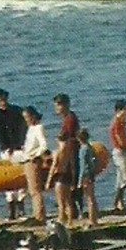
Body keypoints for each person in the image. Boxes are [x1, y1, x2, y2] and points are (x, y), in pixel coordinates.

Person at [0, 89, 29, 220]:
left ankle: (21, 208)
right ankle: (11, 209)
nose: (2, 102)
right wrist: (6, 147)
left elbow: (23, 128)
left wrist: (20, 144)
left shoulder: (16, 111)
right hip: (7, 150)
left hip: (19, 148)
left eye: (3, 99)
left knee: (21, 177)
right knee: (8, 180)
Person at [50, 94, 81, 225]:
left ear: (65, 105)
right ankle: (72, 212)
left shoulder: (70, 119)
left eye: (58, 105)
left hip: (71, 153)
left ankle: (73, 212)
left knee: (71, 182)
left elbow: (69, 137)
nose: (56, 108)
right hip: (70, 152)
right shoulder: (68, 118)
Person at [17, 107, 50, 223]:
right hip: (27, 159)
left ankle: (40, 216)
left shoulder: (38, 128)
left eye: (27, 117)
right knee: (32, 190)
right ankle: (37, 214)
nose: (26, 120)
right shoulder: (31, 128)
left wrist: (35, 155)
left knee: (35, 190)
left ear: (33, 116)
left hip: (32, 161)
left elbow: (43, 145)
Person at [78, 129, 108, 224]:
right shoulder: (90, 147)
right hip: (91, 174)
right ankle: (95, 217)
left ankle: (92, 219)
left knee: (89, 198)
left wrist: (79, 181)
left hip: (86, 176)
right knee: (92, 197)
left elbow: (83, 166)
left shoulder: (83, 149)